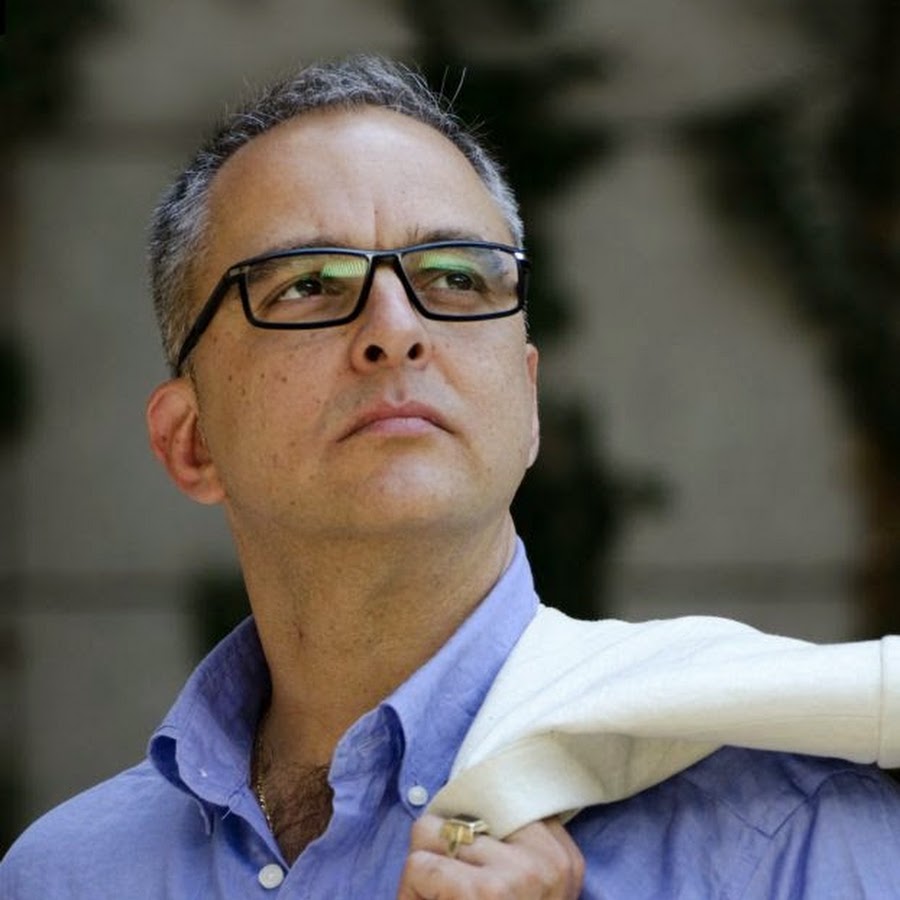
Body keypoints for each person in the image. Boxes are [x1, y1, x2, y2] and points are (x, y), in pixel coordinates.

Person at [2, 54, 900, 899]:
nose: (396, 330)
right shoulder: (65, 878)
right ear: (192, 442)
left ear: (528, 402)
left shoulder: (791, 829)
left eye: (457, 278)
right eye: (307, 285)